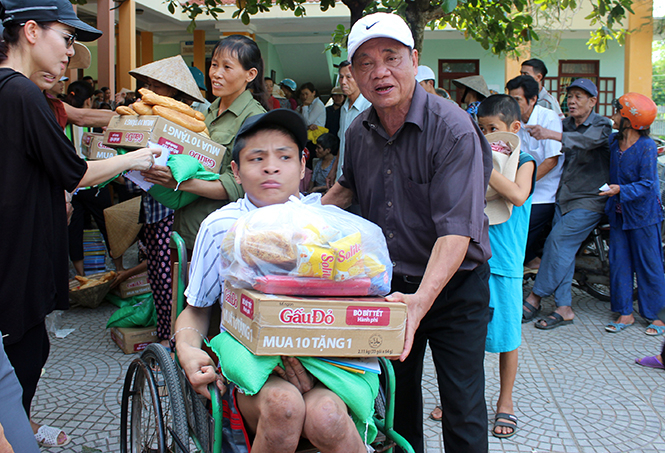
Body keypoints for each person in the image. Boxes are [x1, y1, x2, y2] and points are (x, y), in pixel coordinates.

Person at [322, 12, 492, 453]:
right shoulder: (358, 131)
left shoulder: (452, 128)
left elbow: (457, 233)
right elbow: (346, 190)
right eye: (365, 63)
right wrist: (293, 222)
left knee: (463, 407)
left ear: (414, 60)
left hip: (455, 288)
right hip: (393, 289)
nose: (380, 72)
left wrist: (421, 302)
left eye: (391, 57)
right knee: (397, 408)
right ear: (353, 74)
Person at [0, 0, 158, 446]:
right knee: (24, 353)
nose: (70, 52)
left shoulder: (15, 91)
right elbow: (77, 171)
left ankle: (21, 426)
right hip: (16, 260)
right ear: (31, 31)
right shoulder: (21, 93)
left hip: (16, 252)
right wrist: (140, 156)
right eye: (66, 38)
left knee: (28, 349)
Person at [175, 109, 371, 453]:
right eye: (257, 158)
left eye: (284, 156)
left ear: (302, 165)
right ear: (235, 170)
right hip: (253, 366)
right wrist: (188, 352)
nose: (271, 167)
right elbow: (196, 309)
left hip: (323, 362)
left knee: (327, 417)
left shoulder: (326, 226)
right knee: (285, 407)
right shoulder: (223, 226)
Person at [143, 35, 266, 255]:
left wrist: (179, 183)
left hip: (221, 239)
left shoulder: (254, 118)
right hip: (186, 232)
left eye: (227, 67)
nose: (216, 74)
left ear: (251, 74)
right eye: (214, 65)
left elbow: (238, 185)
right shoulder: (205, 113)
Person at [130, 54, 208, 345]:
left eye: (156, 84)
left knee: (168, 278)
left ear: (174, 90)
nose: (149, 87)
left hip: (171, 207)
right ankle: (164, 334)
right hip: (150, 204)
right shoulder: (146, 115)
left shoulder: (184, 121)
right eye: (148, 82)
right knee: (156, 275)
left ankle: (171, 339)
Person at [521, 78, 611, 329]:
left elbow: (586, 142)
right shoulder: (566, 124)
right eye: (569, 96)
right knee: (564, 251)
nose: (571, 101)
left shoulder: (601, 125)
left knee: (557, 242)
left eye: (579, 96)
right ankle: (564, 307)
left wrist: (550, 133)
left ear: (593, 101)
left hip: (589, 200)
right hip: (564, 199)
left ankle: (535, 297)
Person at [477, 95, 536, 438]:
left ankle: (506, 401)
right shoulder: (479, 160)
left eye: (493, 130)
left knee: (507, 338)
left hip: (507, 263)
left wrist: (483, 162)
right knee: (469, 337)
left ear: (514, 129)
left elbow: (515, 194)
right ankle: (466, 398)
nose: (486, 136)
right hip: (473, 258)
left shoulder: (524, 161)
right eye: (482, 130)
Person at [601, 93, 665, 335]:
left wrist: (621, 189)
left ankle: (657, 316)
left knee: (649, 265)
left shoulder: (647, 147)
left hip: (644, 217)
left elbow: (649, 184)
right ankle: (624, 312)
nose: (613, 115)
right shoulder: (613, 141)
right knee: (619, 263)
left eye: (618, 112)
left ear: (629, 119)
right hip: (618, 215)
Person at [506, 75, 563, 274]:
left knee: (522, 230)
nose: (512, 104)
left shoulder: (549, 118)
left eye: (518, 100)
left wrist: (524, 184)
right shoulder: (514, 122)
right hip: (522, 189)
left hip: (544, 192)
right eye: (510, 99)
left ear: (532, 100)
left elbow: (551, 160)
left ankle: (531, 262)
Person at [330, 60, 371, 184]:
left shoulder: (369, 106)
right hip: (342, 177)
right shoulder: (343, 108)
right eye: (341, 77)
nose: (343, 82)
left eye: (349, 77)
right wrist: (333, 170)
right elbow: (343, 142)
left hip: (361, 180)